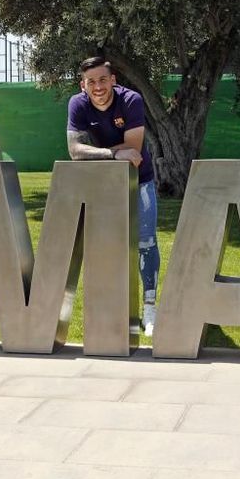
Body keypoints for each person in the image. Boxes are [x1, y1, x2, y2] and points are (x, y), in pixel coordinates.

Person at [66, 56, 160, 336]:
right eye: (91, 81)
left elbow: (134, 147)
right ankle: (113, 312)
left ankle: (150, 307)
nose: (98, 87)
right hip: (102, 184)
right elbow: (74, 151)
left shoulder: (131, 100)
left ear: (113, 80)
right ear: (83, 85)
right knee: (105, 245)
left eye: (103, 80)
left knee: (146, 241)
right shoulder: (77, 104)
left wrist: (93, 152)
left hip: (139, 181)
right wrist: (112, 153)